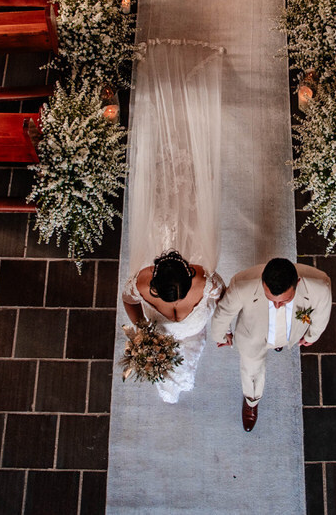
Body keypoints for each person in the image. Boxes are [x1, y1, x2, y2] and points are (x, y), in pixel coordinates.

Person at [120, 39, 225, 402]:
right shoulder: (181, 278)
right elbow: (220, 295)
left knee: (175, 210)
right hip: (177, 333)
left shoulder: (170, 279)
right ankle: (175, 380)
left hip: (184, 332)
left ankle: (177, 382)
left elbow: (220, 295)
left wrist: (144, 329)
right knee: (180, 211)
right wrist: (142, 331)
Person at [209, 258, 332, 431]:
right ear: (262, 282)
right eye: (271, 299)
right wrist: (221, 335)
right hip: (253, 336)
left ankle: (279, 342)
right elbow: (223, 313)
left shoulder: (320, 286)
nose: (277, 306)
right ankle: (252, 400)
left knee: (281, 337)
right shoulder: (241, 284)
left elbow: (321, 313)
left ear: (297, 283)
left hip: (291, 332)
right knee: (251, 370)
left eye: (283, 301)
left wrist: (312, 336)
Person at [122, 250, 224, 403]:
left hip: (193, 331)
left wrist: (224, 328)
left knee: (188, 365)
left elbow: (222, 300)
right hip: (161, 334)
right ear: (154, 287)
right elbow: (129, 300)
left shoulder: (206, 280)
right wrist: (141, 328)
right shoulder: (140, 283)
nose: (176, 304)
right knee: (163, 370)